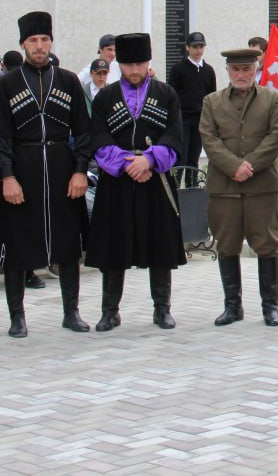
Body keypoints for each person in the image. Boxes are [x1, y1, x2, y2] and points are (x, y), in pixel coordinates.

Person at [0, 12, 93, 337]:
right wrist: (7, 176)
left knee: (68, 245)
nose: (39, 46)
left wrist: (80, 171)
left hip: (62, 167)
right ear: (23, 44)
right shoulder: (7, 84)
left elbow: (84, 132)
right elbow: (0, 136)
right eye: (33, 40)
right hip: (23, 166)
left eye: (44, 39)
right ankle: (17, 317)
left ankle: (71, 312)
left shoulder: (68, 81)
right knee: (18, 245)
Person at [85, 33, 186, 331]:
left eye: (139, 64)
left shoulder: (166, 94)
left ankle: (162, 309)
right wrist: (126, 164)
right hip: (117, 180)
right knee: (113, 246)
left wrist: (149, 160)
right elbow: (98, 137)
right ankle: (110, 311)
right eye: (128, 64)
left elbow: (174, 135)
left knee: (159, 245)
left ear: (147, 62)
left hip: (155, 178)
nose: (134, 70)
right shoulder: (105, 97)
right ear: (120, 64)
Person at [201, 47, 278, 326]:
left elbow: (276, 135)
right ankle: (232, 307)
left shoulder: (272, 99)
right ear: (227, 70)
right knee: (227, 245)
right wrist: (233, 166)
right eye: (235, 69)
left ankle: (270, 307)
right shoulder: (212, 102)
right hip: (224, 188)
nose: (241, 74)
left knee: (267, 245)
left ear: (255, 70)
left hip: (262, 186)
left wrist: (249, 164)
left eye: (246, 69)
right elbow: (209, 138)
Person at [168, 31, 216, 165]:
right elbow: (172, 95)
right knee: (181, 156)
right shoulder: (178, 69)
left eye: (201, 47)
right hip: (182, 119)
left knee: (194, 157)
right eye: (195, 47)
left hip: (200, 120)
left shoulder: (208, 70)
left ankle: (192, 179)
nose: (198, 50)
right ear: (187, 47)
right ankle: (177, 179)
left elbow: (211, 96)